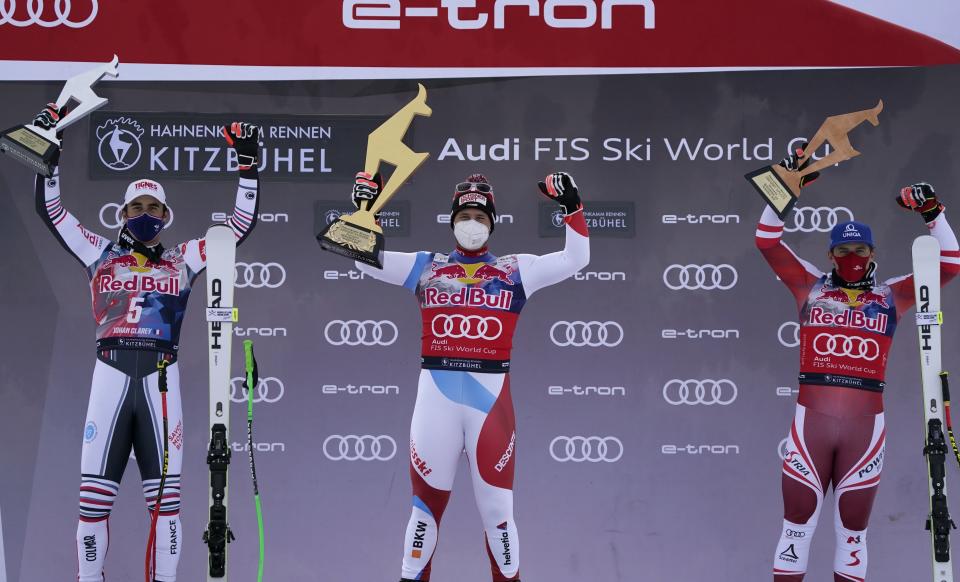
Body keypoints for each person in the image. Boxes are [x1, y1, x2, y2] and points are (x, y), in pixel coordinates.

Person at [31, 104, 262, 582]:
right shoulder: (99, 251)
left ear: (165, 216)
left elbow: (234, 230)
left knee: (167, 506)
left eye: (153, 208)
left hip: (162, 382)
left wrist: (248, 167)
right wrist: (46, 157)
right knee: (92, 505)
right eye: (136, 207)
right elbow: (50, 212)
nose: (144, 214)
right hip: (110, 379)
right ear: (122, 213)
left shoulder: (182, 259)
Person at [346, 171, 589, 582]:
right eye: (465, 214)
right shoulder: (427, 266)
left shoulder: (515, 271)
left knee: (499, 516)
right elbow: (363, 258)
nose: (472, 222)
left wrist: (572, 208)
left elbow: (575, 260)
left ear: (491, 222)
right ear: (452, 221)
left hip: (490, 407)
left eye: (479, 215)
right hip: (435, 403)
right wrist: (365, 210)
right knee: (423, 514)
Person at [756, 149, 960, 582]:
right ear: (831, 255)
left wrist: (932, 213)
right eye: (843, 249)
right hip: (809, 428)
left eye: (860, 248)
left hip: (865, 434)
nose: (852, 255)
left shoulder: (891, 295)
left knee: (853, 535)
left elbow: (948, 265)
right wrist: (783, 191)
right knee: (796, 527)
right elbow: (767, 242)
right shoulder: (809, 287)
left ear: (872, 251)